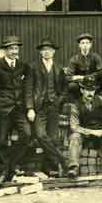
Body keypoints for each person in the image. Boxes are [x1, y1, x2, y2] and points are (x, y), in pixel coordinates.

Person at [0, 36, 33, 185]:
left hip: (19, 108)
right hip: (3, 109)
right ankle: (3, 171)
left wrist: (29, 108)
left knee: (26, 134)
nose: (14, 51)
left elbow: (27, 89)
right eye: (11, 49)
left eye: (16, 48)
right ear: (5, 51)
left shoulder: (24, 66)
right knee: (0, 140)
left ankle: (11, 166)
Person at [24, 39, 70, 176]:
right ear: (40, 52)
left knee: (52, 138)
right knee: (40, 135)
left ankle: (50, 168)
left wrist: (58, 100)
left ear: (54, 52)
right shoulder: (33, 67)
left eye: (49, 50)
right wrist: (30, 108)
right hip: (39, 107)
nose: (46, 52)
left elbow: (64, 89)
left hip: (53, 107)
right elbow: (28, 89)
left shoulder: (58, 67)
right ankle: (62, 160)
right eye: (44, 50)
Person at [68, 76, 102, 179]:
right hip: (84, 135)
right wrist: (92, 132)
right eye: (87, 90)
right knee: (74, 137)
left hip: (100, 133)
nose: (90, 93)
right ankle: (73, 168)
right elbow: (74, 127)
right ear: (82, 90)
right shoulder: (76, 105)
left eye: (92, 90)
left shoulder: (100, 100)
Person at [65, 33, 102, 100]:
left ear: (90, 45)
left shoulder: (96, 57)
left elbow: (101, 72)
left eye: (87, 43)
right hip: (80, 85)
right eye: (82, 43)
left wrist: (88, 77)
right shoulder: (74, 59)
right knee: (71, 86)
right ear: (79, 45)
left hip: (93, 84)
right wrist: (77, 77)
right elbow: (68, 77)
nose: (85, 45)